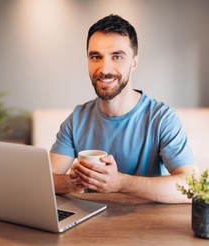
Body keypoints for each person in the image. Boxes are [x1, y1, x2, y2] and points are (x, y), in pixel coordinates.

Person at [50, 14, 198, 203]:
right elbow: (48, 180)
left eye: (117, 56)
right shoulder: (77, 119)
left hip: (149, 224)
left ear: (134, 62)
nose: (104, 69)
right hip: (91, 223)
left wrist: (120, 183)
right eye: (96, 56)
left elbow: (191, 187)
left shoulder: (162, 118)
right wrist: (73, 183)